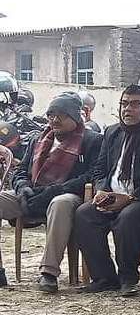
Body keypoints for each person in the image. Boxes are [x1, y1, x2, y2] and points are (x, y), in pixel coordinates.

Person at [74, 86, 140, 296]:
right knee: (84, 214)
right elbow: (100, 169)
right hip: (112, 195)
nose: (127, 109)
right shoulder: (112, 132)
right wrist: (101, 190)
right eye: (124, 104)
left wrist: (131, 197)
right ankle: (104, 277)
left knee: (128, 217)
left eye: (134, 104)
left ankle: (128, 277)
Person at [0, 93, 102, 293]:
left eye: (61, 115)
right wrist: (23, 187)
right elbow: (21, 171)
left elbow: (91, 175)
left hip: (70, 194)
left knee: (59, 203)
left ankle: (49, 272)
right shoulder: (38, 138)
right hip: (33, 192)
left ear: (74, 117)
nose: (54, 120)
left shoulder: (92, 140)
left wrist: (54, 191)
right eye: (51, 115)